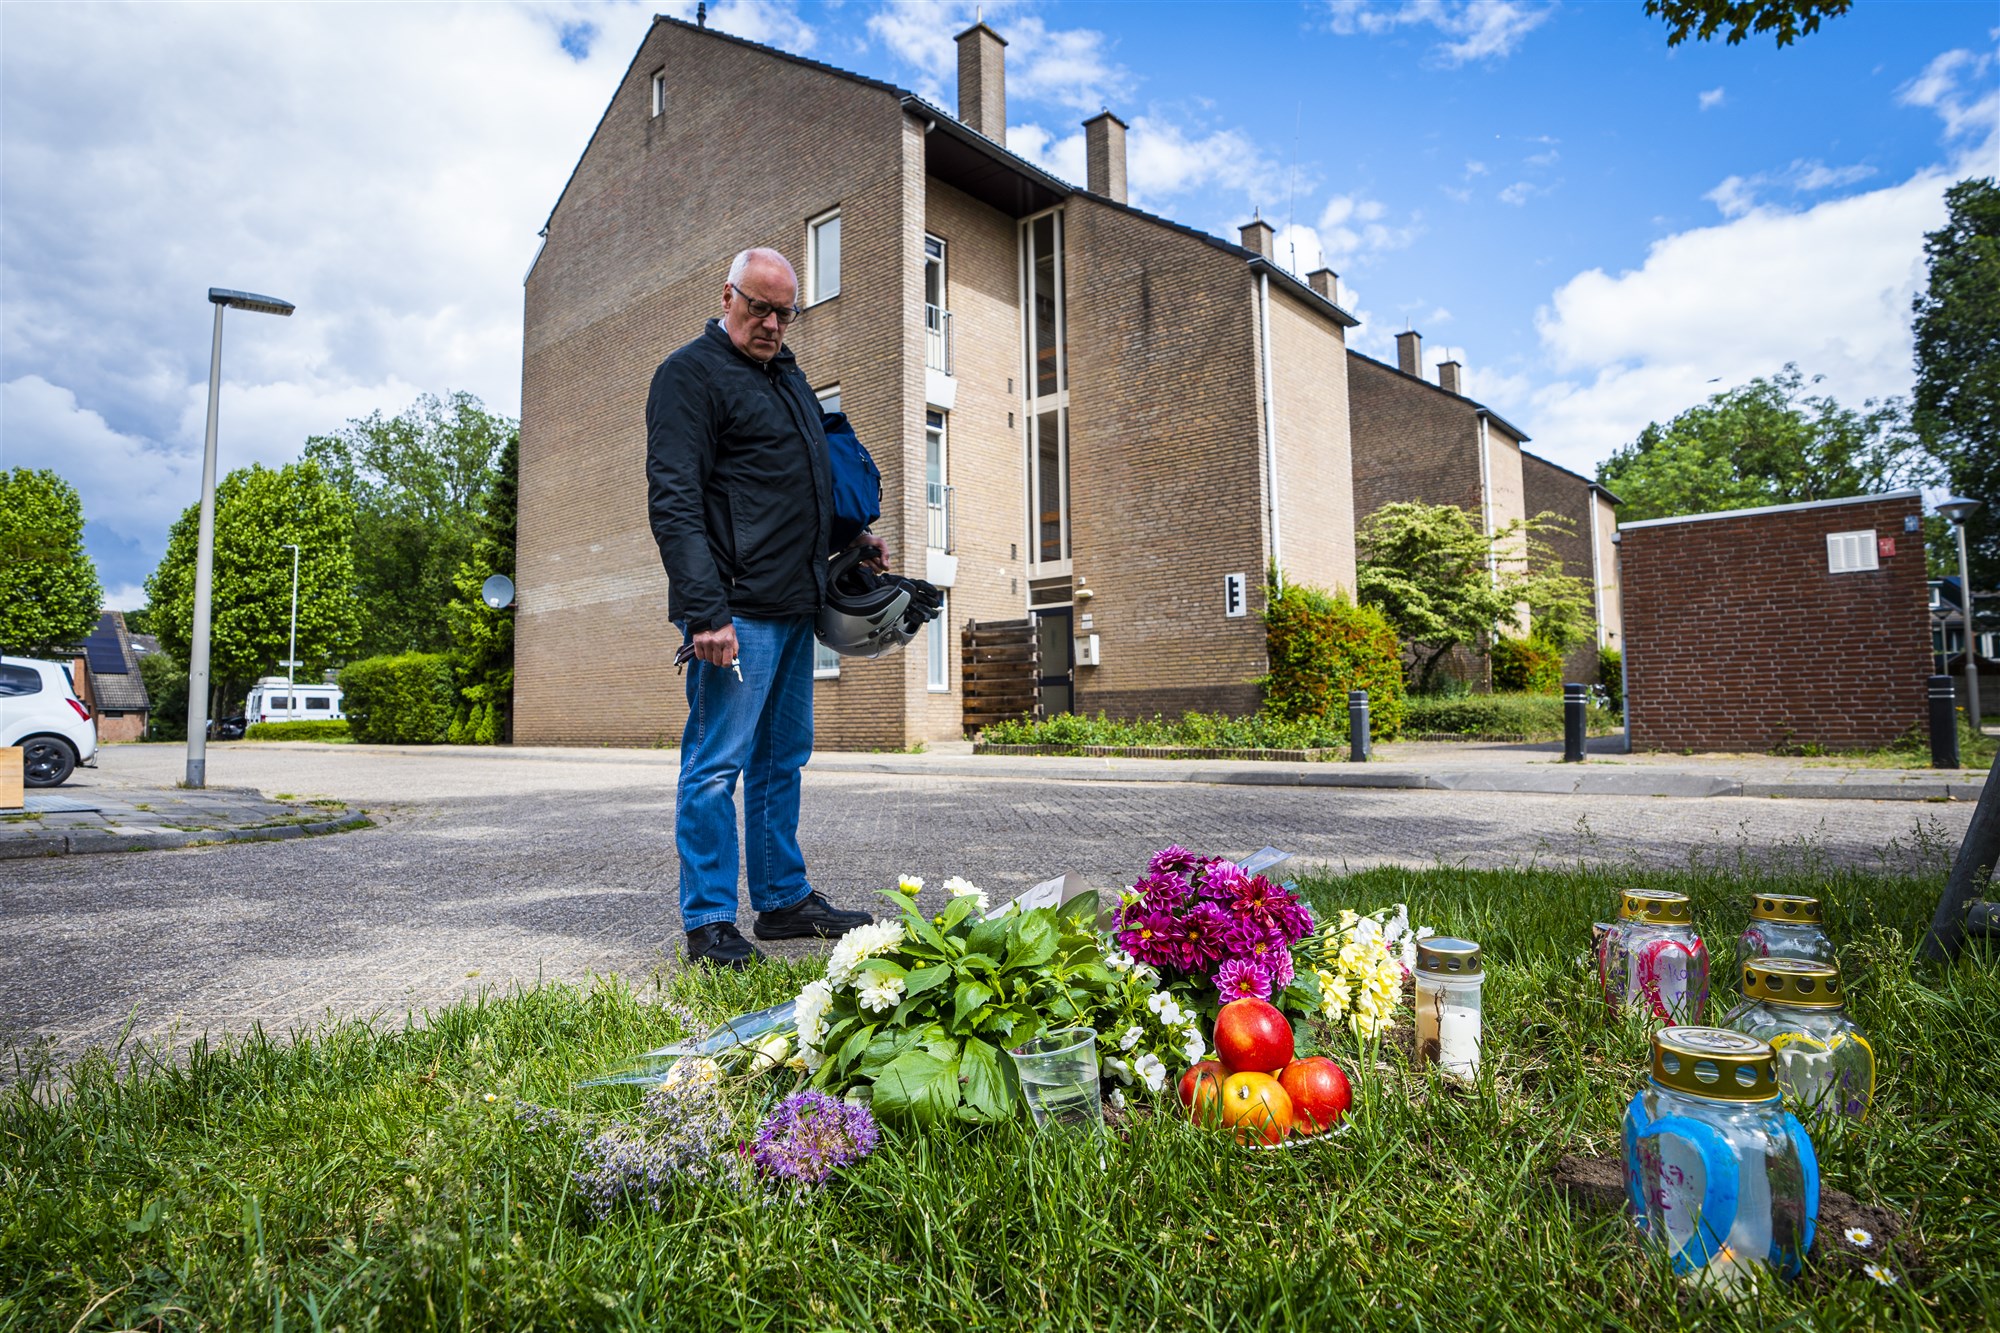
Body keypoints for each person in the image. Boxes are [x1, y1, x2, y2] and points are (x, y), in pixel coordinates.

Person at [646, 247, 882, 969]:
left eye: (787, 312)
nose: (774, 323)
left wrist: (855, 536)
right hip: (734, 612)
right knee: (717, 763)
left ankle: (781, 899)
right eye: (761, 308)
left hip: (794, 603)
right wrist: (705, 611)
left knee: (782, 761)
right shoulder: (688, 375)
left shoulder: (787, 376)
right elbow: (675, 499)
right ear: (728, 296)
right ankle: (710, 920)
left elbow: (804, 478)